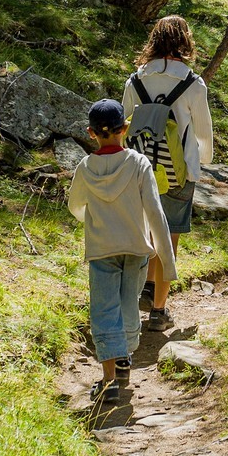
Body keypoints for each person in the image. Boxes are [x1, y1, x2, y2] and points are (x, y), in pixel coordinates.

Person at [68, 97, 175, 405]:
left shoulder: (85, 168)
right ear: (124, 128)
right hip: (136, 247)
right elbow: (155, 213)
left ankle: (109, 380)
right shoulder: (139, 164)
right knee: (129, 303)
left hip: (102, 249)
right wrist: (167, 262)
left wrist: (93, 219)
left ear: (91, 133)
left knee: (104, 310)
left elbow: (76, 205)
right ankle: (125, 358)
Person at [122, 14, 214, 332]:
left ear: (154, 41)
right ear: (184, 41)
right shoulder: (192, 84)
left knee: (144, 233)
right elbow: (203, 135)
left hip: (140, 169)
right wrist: (200, 164)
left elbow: (125, 127)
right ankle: (158, 311)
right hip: (178, 171)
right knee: (168, 237)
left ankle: (141, 291)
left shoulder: (135, 81)